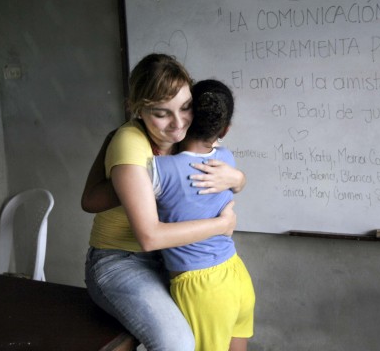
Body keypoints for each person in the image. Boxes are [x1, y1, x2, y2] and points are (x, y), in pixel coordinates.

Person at [82, 54, 246, 351]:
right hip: (120, 261)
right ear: (138, 110)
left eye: (185, 107)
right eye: (161, 113)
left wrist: (237, 179)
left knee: (230, 315)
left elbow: (91, 199)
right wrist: (221, 224)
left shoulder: (182, 136)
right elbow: (149, 236)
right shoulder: (131, 143)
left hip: (171, 260)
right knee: (179, 343)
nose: (178, 123)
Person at [152, 79, 255, 351]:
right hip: (236, 275)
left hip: (202, 289)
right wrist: (239, 179)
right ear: (225, 129)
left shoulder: (160, 170)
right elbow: (239, 183)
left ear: (185, 116)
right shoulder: (227, 160)